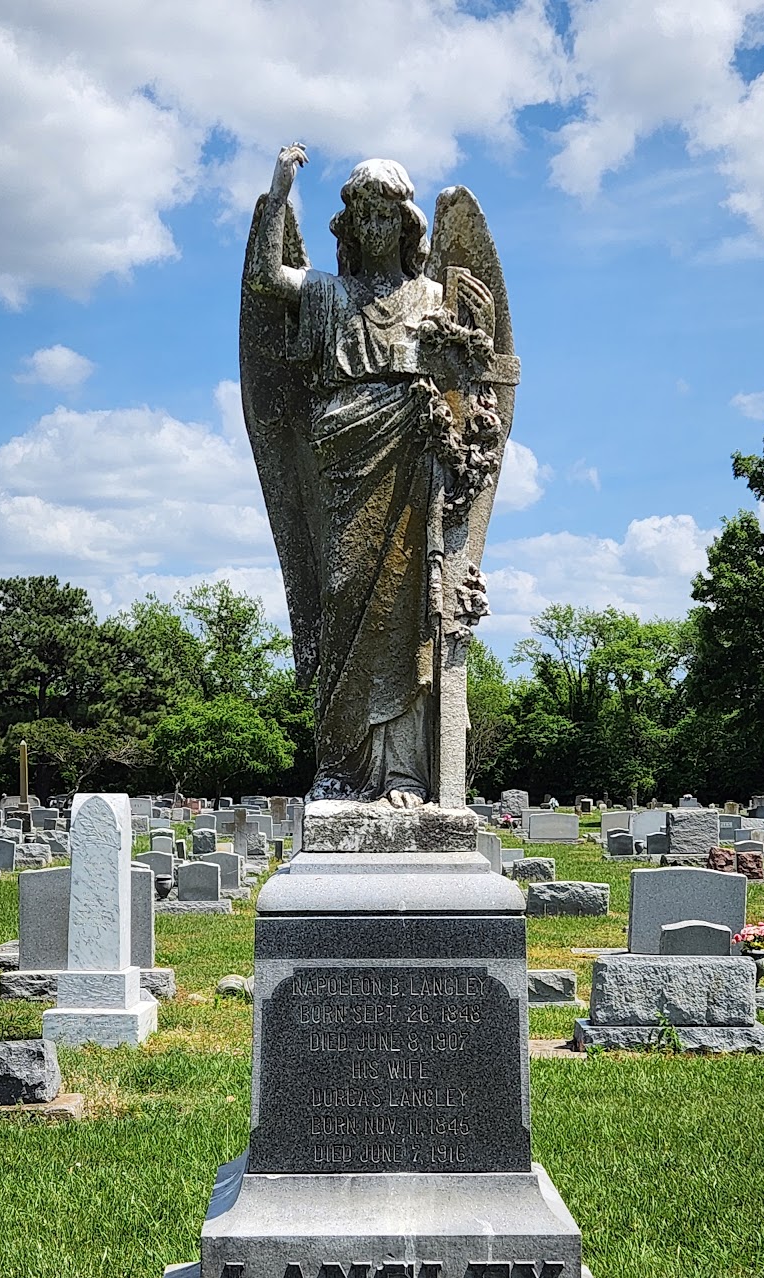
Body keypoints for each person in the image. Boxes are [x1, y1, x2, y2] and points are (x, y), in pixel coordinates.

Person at [245, 146, 493, 808]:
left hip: (412, 453)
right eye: (365, 218)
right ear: (349, 228)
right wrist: (278, 190)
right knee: (343, 596)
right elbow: (269, 278)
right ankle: (340, 768)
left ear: (406, 226)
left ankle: (403, 773)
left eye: (388, 217)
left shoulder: (432, 296)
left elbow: (470, 387)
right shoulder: (327, 293)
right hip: (344, 450)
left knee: (409, 606)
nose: (376, 229)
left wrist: (480, 327)